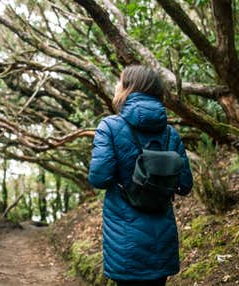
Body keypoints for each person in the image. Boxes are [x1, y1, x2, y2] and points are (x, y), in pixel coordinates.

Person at [88, 65, 193, 286]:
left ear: (128, 88)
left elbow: (99, 178)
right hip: (162, 239)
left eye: (120, 82)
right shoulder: (170, 133)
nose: (117, 86)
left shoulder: (109, 126)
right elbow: (185, 185)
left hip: (125, 241)